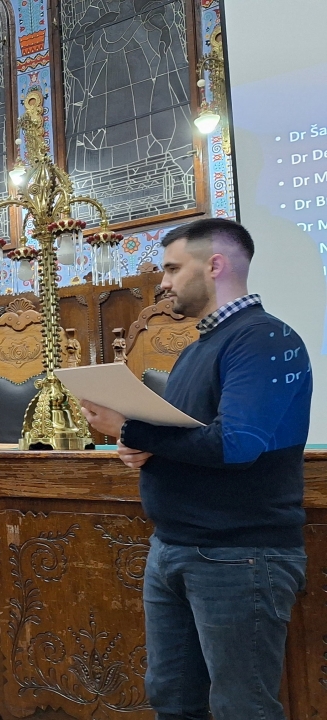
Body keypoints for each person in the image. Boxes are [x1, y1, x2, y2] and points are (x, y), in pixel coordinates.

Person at [80, 218, 311, 720]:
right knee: (173, 699)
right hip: (174, 545)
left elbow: (235, 445)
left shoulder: (264, 339)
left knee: (242, 708)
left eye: (172, 269)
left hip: (238, 553)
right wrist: (136, 446)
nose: (162, 283)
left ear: (215, 265)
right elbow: (184, 437)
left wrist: (134, 429)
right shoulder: (196, 348)